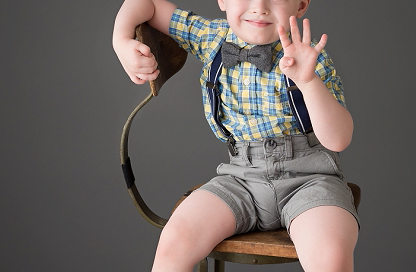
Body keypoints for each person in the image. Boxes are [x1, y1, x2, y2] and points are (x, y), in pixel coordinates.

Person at [113, 0, 359, 271]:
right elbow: (146, 3)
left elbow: (338, 140)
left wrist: (308, 82)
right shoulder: (212, 37)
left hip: (310, 179)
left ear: (300, 5)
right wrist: (121, 39)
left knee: (330, 257)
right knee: (175, 239)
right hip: (240, 178)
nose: (259, 6)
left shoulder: (309, 56)